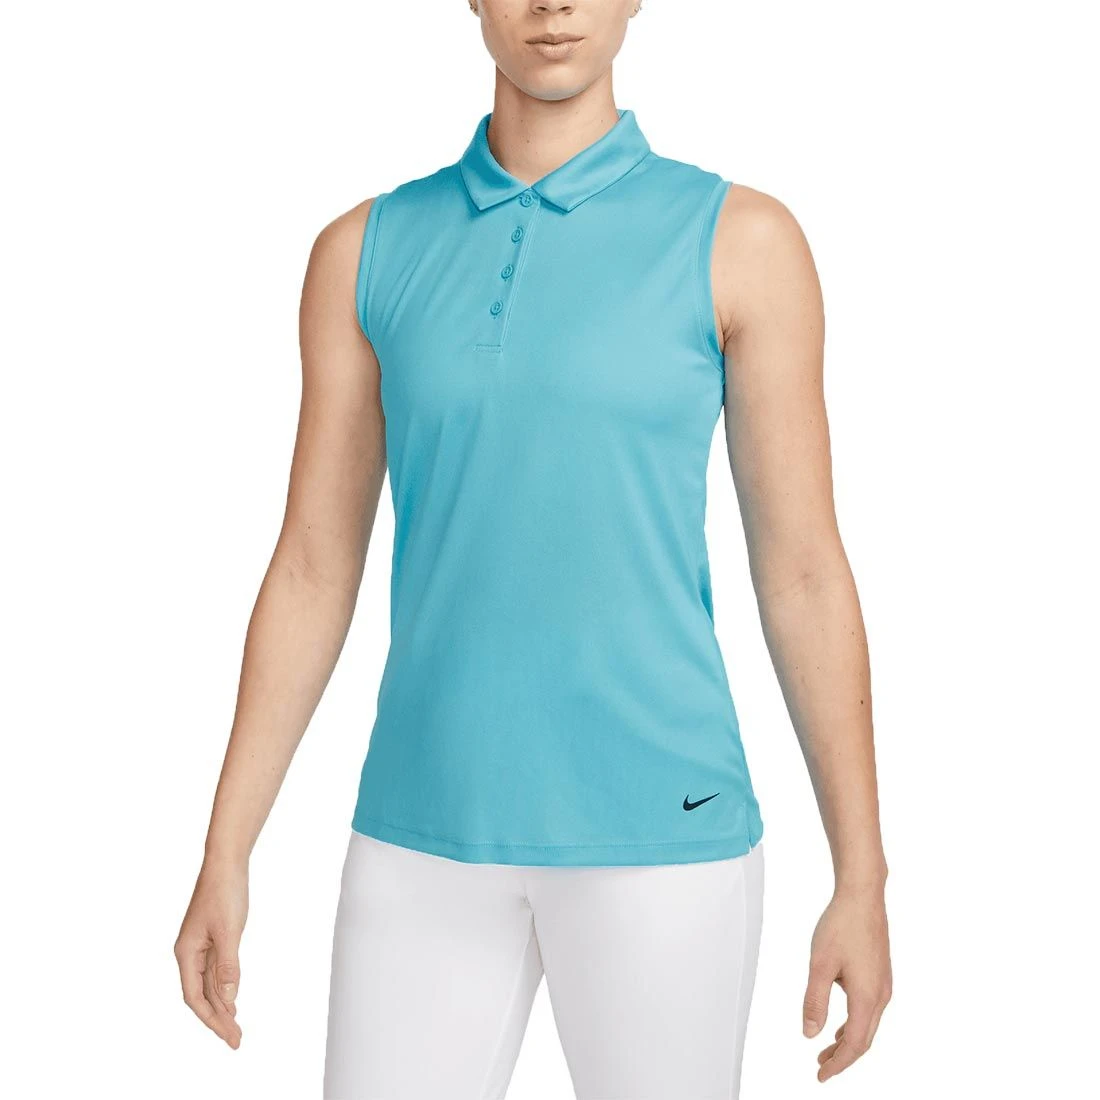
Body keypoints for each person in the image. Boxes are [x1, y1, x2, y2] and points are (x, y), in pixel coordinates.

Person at [174, 1, 893, 1096]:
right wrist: (226, 847)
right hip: (420, 833)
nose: (553, 3)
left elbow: (801, 570)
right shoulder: (365, 250)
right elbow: (314, 564)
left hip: (661, 835)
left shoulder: (741, 241)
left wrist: (862, 874)